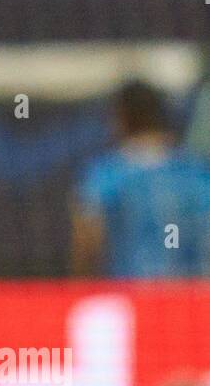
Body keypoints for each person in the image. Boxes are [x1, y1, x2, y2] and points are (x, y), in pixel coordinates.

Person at [71, 80, 210, 279]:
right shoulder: (198, 173)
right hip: (193, 301)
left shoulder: (106, 176)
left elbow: (86, 245)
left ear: (121, 118)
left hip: (131, 299)